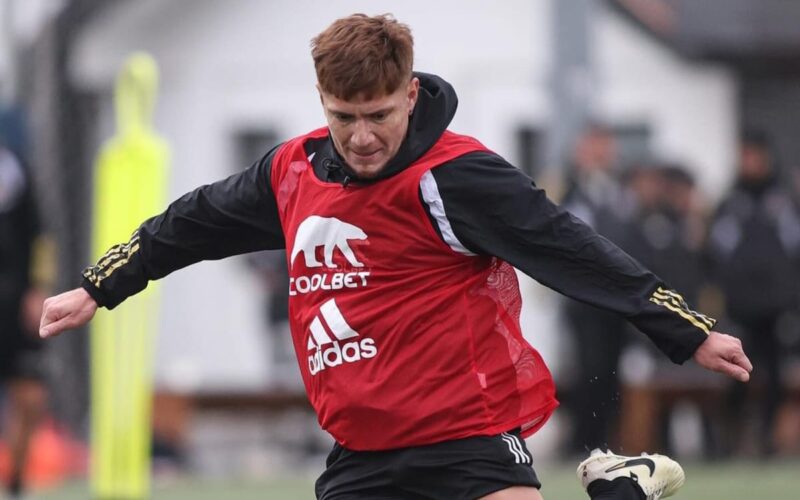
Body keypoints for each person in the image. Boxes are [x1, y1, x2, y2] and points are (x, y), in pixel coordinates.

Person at [39, 14, 751, 500]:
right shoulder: (290, 173)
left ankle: (623, 483)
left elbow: (573, 248)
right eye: (343, 117)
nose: (362, 136)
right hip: (361, 448)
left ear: (409, 94)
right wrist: (98, 288)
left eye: (378, 114)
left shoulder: (458, 177)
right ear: (322, 101)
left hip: (465, 431)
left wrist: (687, 331)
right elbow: (189, 223)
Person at [707, 131, 800, 456]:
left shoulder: (784, 200)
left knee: (774, 377)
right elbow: (716, 254)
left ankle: (767, 440)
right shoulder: (730, 202)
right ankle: (730, 440)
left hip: (776, 309)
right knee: (736, 376)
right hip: (740, 308)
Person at [559, 125, 633, 454]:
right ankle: (583, 440)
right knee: (588, 371)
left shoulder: (620, 193)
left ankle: (605, 438)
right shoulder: (570, 190)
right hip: (584, 300)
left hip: (615, 300)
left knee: (610, 373)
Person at [0, 144, 48, 499]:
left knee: (30, 396)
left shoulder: (14, 166)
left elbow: (42, 236)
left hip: (16, 302)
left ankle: (16, 481)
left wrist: (39, 288)